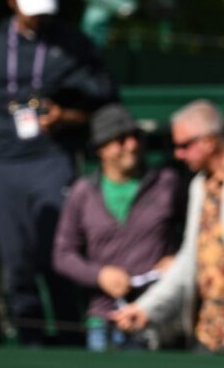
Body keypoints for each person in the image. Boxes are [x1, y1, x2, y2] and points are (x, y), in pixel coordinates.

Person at [0, 0, 115, 343]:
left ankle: (70, 342)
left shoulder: (74, 43)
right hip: (5, 166)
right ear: (11, 0)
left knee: (58, 259)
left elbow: (106, 103)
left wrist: (65, 116)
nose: (36, 19)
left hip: (53, 161)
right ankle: (27, 345)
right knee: (17, 265)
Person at [111, 100, 224, 354]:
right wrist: (146, 308)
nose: (178, 154)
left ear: (209, 140)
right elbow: (189, 261)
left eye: (184, 145)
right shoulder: (199, 185)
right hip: (211, 324)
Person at [52, 103, 183, 351]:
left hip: (155, 315)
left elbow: (195, 236)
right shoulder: (82, 193)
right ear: (101, 148)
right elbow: (62, 254)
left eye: (135, 137)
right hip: (103, 319)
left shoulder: (168, 183)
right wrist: (99, 275)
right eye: (120, 140)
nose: (131, 146)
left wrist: (177, 259)